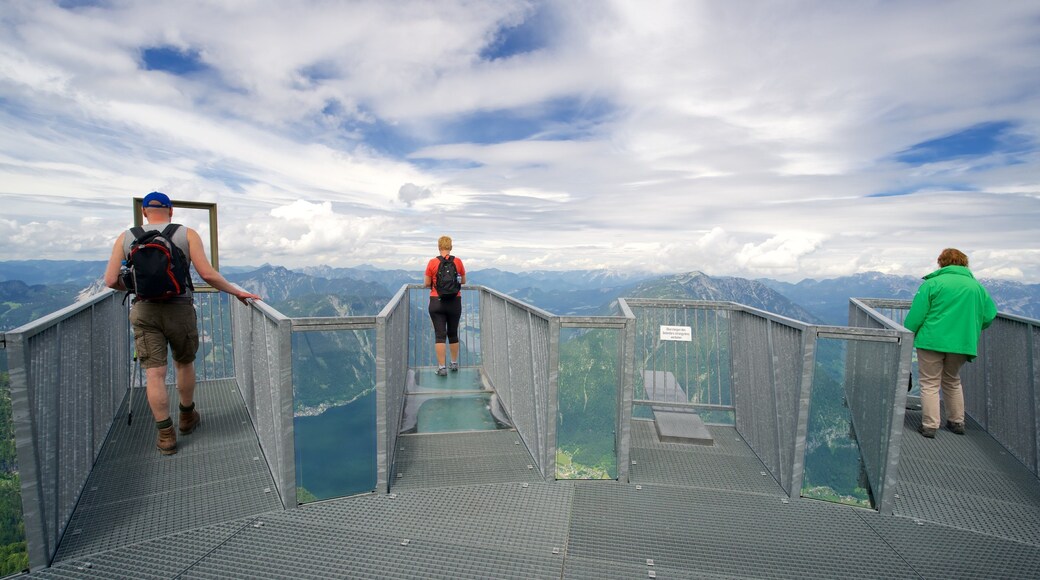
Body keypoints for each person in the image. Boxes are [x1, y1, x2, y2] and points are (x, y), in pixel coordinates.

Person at [104, 192, 261, 455]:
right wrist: (236, 292)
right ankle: (187, 417)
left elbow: (110, 280)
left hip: (144, 311)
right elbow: (207, 274)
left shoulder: (126, 237)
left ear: (144, 211)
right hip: (180, 309)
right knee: (184, 363)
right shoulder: (186, 234)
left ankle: (166, 436)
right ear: (171, 211)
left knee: (154, 373)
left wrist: (135, 287)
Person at [903, 248, 997, 438]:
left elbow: (915, 317)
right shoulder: (976, 287)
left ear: (941, 262)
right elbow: (989, 315)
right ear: (964, 263)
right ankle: (957, 422)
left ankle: (930, 425)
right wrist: (971, 328)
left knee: (929, 383)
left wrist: (908, 332)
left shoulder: (933, 284)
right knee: (952, 380)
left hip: (931, 340)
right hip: (962, 342)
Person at [423, 235, 466, 376]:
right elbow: (463, 281)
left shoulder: (432, 262)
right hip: (454, 301)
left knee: (440, 335)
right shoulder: (458, 262)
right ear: (451, 247)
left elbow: (427, 283)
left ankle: (442, 368)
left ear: (439, 247)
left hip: (437, 301)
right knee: (453, 334)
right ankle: (453, 364)